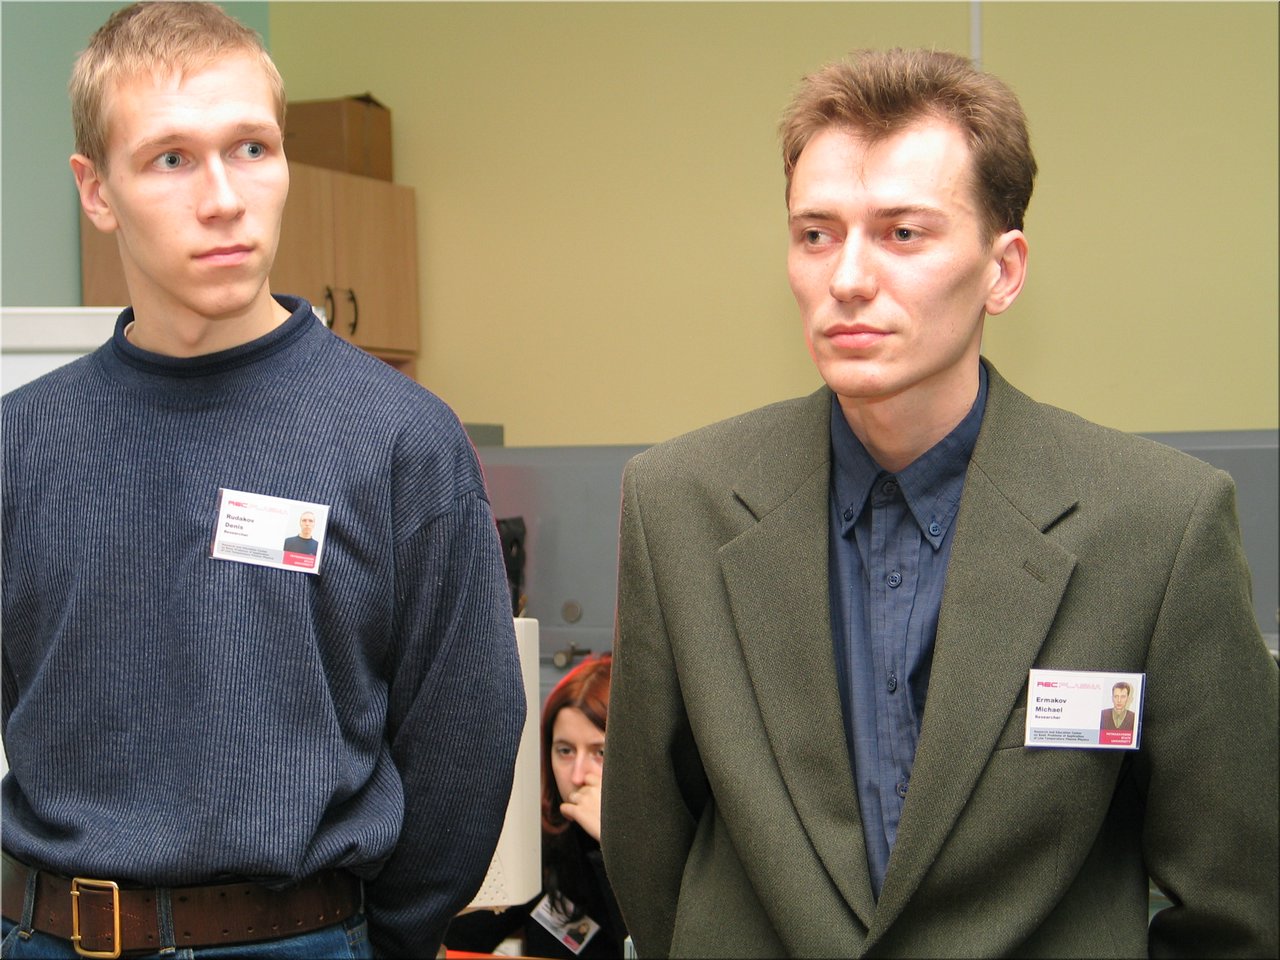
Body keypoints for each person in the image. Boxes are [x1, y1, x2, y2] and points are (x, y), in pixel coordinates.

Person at [601, 48, 1278, 957]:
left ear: (1004, 271)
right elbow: (651, 857)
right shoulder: (678, 505)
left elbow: (1238, 904)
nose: (847, 278)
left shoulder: (1157, 526)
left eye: (902, 233)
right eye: (816, 234)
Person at [1, 4, 524, 958]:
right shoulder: (20, 443)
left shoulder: (400, 440)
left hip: (301, 939)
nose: (223, 198)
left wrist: (373, 942)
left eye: (251, 148)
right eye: (171, 158)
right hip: (50, 936)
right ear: (97, 190)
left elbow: (466, 742)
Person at [447, 654, 627, 958]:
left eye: (600, 752)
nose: (577, 775)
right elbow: (459, 939)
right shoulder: (545, 842)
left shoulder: (663, 848)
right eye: (565, 751)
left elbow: (653, 943)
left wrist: (613, 843)